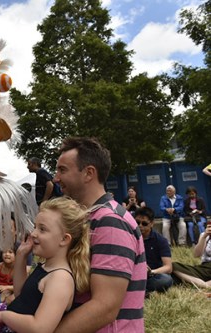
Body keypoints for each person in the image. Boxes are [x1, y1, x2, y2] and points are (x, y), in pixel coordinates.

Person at [0, 197, 90, 333]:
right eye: (35, 227)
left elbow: (40, 328)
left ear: (64, 239)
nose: (33, 233)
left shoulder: (60, 279)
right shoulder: (47, 267)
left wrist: (2, 316)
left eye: (42, 229)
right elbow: (21, 294)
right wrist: (21, 256)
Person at [53, 137, 146, 333]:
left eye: (63, 170)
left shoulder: (110, 222)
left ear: (89, 173)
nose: (56, 178)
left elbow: (105, 307)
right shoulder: (89, 218)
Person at [134, 207, 173, 295]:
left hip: (151, 275)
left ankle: (139, 289)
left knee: (166, 280)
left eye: (144, 223)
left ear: (152, 224)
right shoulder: (129, 237)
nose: (140, 226)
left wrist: (151, 272)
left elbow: (168, 267)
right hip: (133, 273)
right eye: (137, 222)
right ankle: (143, 290)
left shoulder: (160, 240)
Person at [172, 222, 211, 289]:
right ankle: (203, 284)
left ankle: (204, 284)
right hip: (204, 268)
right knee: (173, 267)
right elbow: (196, 254)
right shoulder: (205, 236)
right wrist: (204, 236)